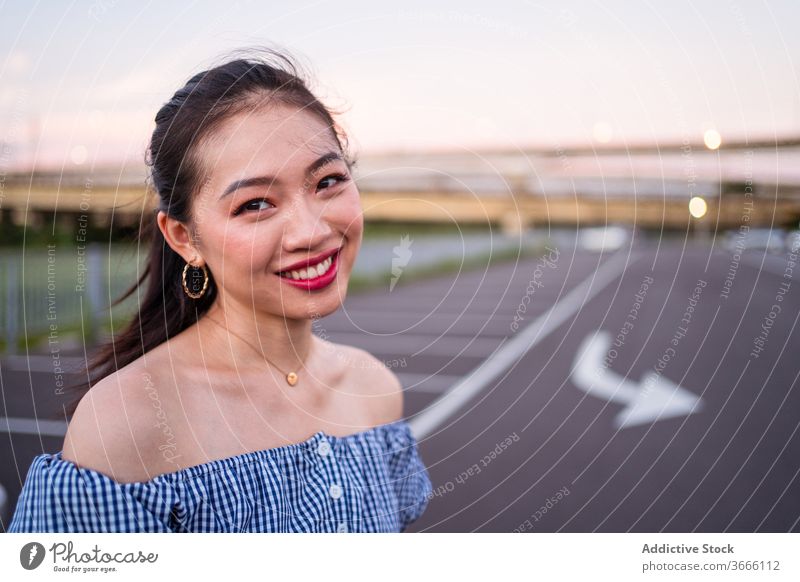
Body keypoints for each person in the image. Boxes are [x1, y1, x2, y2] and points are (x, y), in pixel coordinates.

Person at [7, 47, 433, 533]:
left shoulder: (374, 391)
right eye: (255, 204)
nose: (311, 232)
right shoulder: (126, 426)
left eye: (328, 181)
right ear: (184, 238)